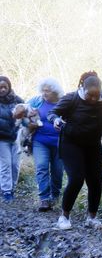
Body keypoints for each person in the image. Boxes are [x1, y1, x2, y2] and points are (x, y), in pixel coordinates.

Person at [48, 71, 102, 230]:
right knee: (76, 178)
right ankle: (64, 216)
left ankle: (92, 217)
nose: (93, 99)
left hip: (93, 144)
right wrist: (56, 119)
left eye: (96, 95)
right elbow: (53, 112)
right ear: (83, 89)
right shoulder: (72, 98)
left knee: (95, 181)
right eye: (90, 95)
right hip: (71, 143)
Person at [18, 78, 65, 211]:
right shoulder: (36, 101)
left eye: (48, 91)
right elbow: (21, 115)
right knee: (42, 166)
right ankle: (44, 199)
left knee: (57, 171)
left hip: (59, 143)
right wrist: (28, 120)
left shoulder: (64, 102)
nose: (44, 94)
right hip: (40, 141)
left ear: (55, 91)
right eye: (43, 91)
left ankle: (55, 196)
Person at [0, 76, 24, 202]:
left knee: (15, 165)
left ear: (9, 87)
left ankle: (12, 188)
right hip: (2, 139)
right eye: (0, 87)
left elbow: (26, 113)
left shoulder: (17, 100)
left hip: (16, 137)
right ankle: (6, 190)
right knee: (6, 164)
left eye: (5, 87)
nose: (2, 90)